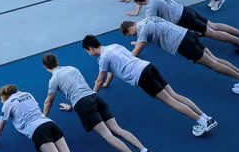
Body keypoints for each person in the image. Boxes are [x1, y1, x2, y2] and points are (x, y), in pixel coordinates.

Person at [41, 53, 157, 152]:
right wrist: (71, 105)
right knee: (117, 129)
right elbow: (78, 88)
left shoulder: (53, 80)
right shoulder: (72, 68)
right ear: (57, 61)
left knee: (107, 135)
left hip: (83, 104)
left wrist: (43, 118)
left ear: (45, 66)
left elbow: (48, 102)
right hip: (94, 98)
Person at [82, 35, 217, 137]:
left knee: (170, 101)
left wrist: (93, 96)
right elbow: (113, 69)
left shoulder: (103, 58)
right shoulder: (114, 46)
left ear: (91, 48)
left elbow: (99, 80)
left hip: (141, 77)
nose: (88, 54)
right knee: (175, 95)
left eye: (87, 52)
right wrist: (107, 83)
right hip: (148, 66)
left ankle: (202, 122)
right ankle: (206, 117)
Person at [120, 18, 239, 94]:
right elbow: (155, 33)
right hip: (187, 35)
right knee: (215, 59)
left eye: (130, 34)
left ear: (130, 29)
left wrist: (127, 58)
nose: (133, 35)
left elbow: (137, 51)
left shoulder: (141, 30)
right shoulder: (148, 20)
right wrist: (139, 41)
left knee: (213, 65)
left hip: (182, 44)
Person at [131, 0, 239, 54]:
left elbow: (151, 23)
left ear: (138, 2)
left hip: (184, 19)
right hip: (186, 10)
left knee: (212, 33)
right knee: (213, 25)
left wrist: (140, 41)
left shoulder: (150, 7)